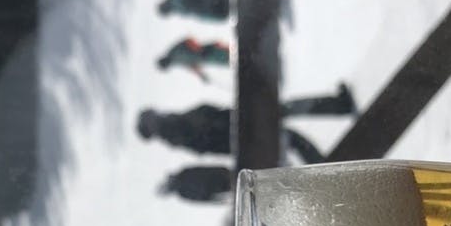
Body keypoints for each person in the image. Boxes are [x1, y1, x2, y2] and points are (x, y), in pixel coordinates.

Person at [138, 86, 357, 155]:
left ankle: (338, 106)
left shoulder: (172, 130)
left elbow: (206, 136)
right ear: (152, 124)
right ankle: (328, 172)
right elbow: (207, 131)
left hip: (243, 128)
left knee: (291, 131)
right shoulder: (172, 129)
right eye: (151, 116)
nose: (156, 113)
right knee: (291, 132)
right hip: (244, 128)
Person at [157, 37, 231, 81]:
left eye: (166, 63)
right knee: (228, 62)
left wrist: (198, 49)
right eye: (167, 65)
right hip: (207, 58)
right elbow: (192, 66)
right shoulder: (177, 62)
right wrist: (202, 75)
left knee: (229, 54)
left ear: (164, 59)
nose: (168, 64)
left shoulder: (174, 51)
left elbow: (187, 40)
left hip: (208, 50)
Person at [159, 166, 232, 204]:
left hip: (219, 181)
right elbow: (201, 198)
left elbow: (202, 169)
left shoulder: (182, 191)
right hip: (219, 181)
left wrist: (214, 199)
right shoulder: (182, 192)